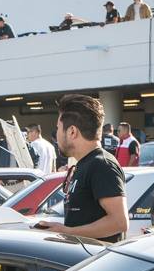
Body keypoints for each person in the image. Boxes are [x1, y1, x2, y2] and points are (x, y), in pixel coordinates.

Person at [36, 94, 128, 242]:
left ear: (72, 131)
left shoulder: (102, 165)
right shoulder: (85, 164)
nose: (57, 135)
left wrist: (67, 232)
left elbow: (119, 222)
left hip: (99, 263)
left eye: (58, 128)